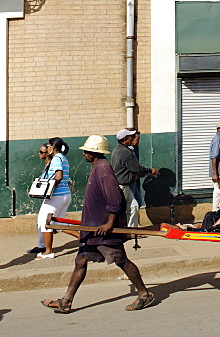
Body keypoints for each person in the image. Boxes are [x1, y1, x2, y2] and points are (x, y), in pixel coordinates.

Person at [41, 135, 154, 314]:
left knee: (121, 260)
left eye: (87, 151)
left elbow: (115, 198)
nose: (84, 154)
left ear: (95, 152)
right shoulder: (97, 167)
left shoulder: (103, 169)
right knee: (80, 260)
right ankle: (66, 301)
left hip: (102, 228)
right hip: (93, 227)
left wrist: (110, 222)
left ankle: (144, 294)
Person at [34, 137, 73, 259]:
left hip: (56, 195)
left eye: (49, 146)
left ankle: (48, 251)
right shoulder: (63, 158)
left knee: (45, 222)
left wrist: (49, 188)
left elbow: (59, 176)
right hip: (65, 194)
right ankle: (84, 239)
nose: (48, 148)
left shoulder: (56, 159)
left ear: (53, 147)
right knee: (58, 224)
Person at [111, 128, 158, 228]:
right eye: (130, 137)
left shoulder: (119, 150)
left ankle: (131, 230)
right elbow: (136, 168)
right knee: (120, 209)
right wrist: (149, 170)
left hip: (126, 185)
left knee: (134, 207)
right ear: (125, 139)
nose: (132, 139)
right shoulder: (124, 152)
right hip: (122, 186)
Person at [28, 143, 53, 255]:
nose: (39, 154)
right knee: (42, 221)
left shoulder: (52, 165)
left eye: (41, 152)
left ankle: (82, 237)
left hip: (53, 196)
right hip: (48, 197)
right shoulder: (47, 166)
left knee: (49, 222)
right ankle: (41, 245)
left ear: (48, 153)